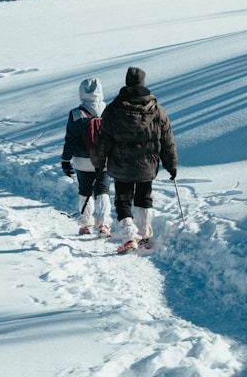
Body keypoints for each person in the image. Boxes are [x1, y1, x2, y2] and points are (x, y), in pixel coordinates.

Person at [90, 66, 177, 254]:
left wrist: (98, 161)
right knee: (144, 198)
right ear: (142, 83)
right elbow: (167, 140)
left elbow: (103, 138)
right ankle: (144, 235)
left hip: (121, 165)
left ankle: (130, 236)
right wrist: (171, 165)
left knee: (123, 201)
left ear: (127, 83)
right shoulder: (157, 110)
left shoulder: (113, 109)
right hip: (147, 166)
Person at [61, 77, 112, 237]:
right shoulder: (109, 111)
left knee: (85, 191)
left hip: (82, 161)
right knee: (102, 191)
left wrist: (65, 160)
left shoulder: (76, 113)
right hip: (104, 160)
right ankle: (103, 224)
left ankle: (86, 224)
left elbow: (70, 139)